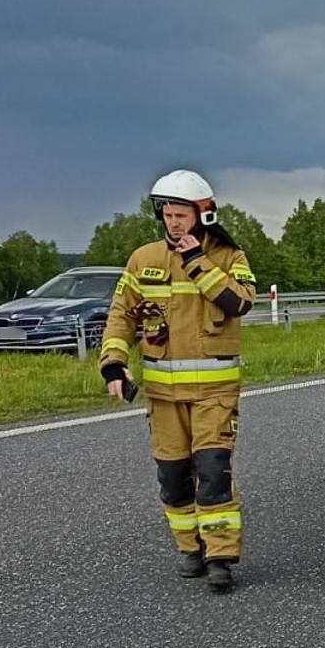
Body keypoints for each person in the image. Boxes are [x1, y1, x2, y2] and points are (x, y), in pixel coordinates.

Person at [99, 170, 259, 592]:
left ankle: (221, 556)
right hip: (163, 395)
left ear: (203, 214)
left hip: (215, 394)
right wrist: (114, 363)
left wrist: (196, 262)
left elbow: (237, 302)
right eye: (167, 215)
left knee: (213, 472)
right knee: (172, 477)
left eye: (181, 214)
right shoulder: (144, 259)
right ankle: (191, 549)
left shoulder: (229, 257)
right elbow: (121, 315)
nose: (173, 223)